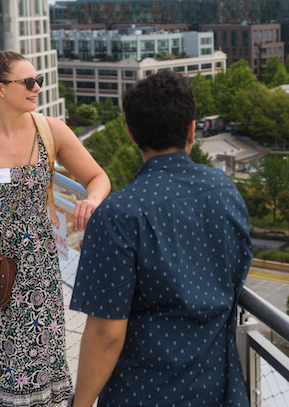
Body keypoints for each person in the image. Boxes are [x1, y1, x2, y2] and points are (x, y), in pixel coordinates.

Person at [0, 50, 110, 407]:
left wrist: (91, 199)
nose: (37, 88)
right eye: (28, 82)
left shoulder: (51, 131)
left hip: (35, 274)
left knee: (35, 357)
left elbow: (98, 177)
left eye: (39, 81)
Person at [70, 71, 253, 407]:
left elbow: (105, 335)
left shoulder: (117, 215)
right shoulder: (225, 191)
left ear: (130, 133)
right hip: (217, 386)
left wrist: (79, 404)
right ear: (192, 130)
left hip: (142, 392)